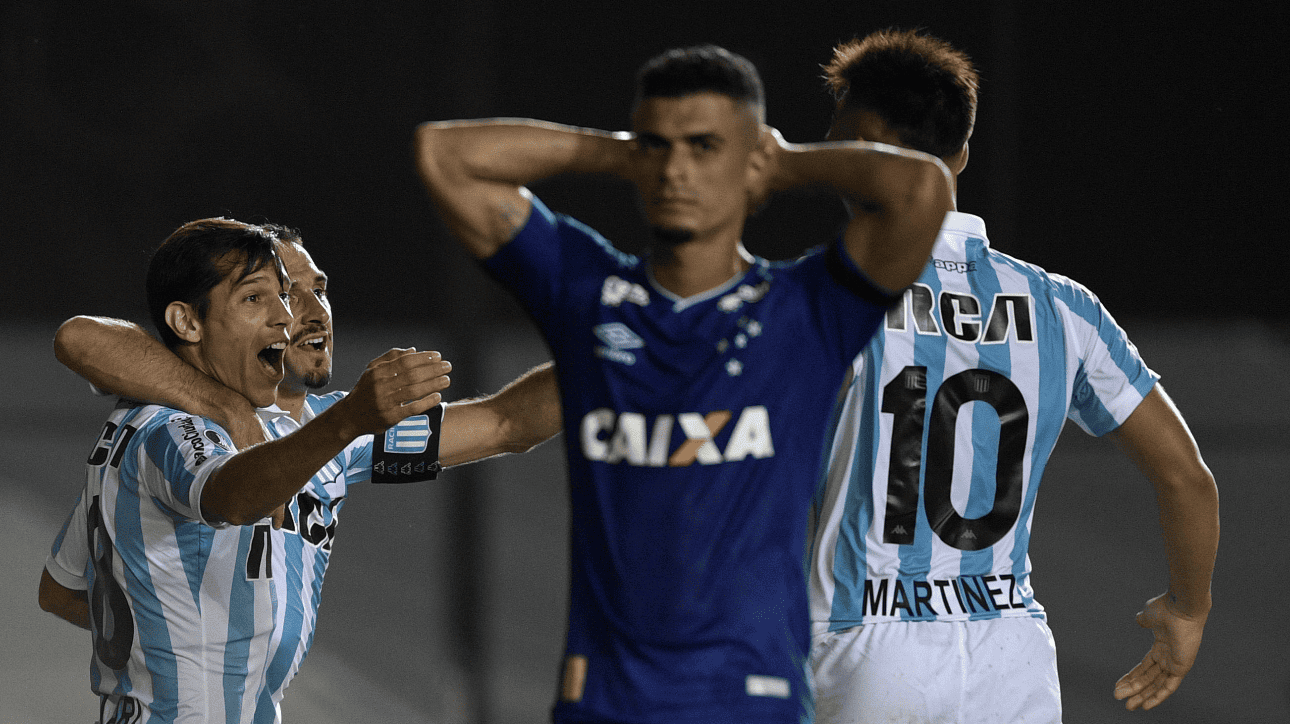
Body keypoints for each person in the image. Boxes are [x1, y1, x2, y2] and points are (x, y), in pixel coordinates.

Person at [414, 44, 953, 723]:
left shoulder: (807, 314)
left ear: (748, 157)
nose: (676, 169)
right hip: (605, 701)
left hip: (749, 701)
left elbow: (921, 188)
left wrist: (779, 161)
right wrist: (619, 151)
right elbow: (445, 155)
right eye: (658, 148)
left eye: (703, 148)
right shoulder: (586, 296)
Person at [804, 30, 1220, 723]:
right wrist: (1187, 608)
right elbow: (1187, 478)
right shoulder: (1063, 306)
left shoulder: (827, 295)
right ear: (962, 153)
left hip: (862, 650)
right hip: (1011, 657)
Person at [38, 218, 560, 723]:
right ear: (194, 321)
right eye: (266, 295)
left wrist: (606, 356)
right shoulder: (175, 427)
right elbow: (234, 495)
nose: (301, 314)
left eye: (314, 290)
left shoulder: (321, 430)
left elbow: (507, 423)